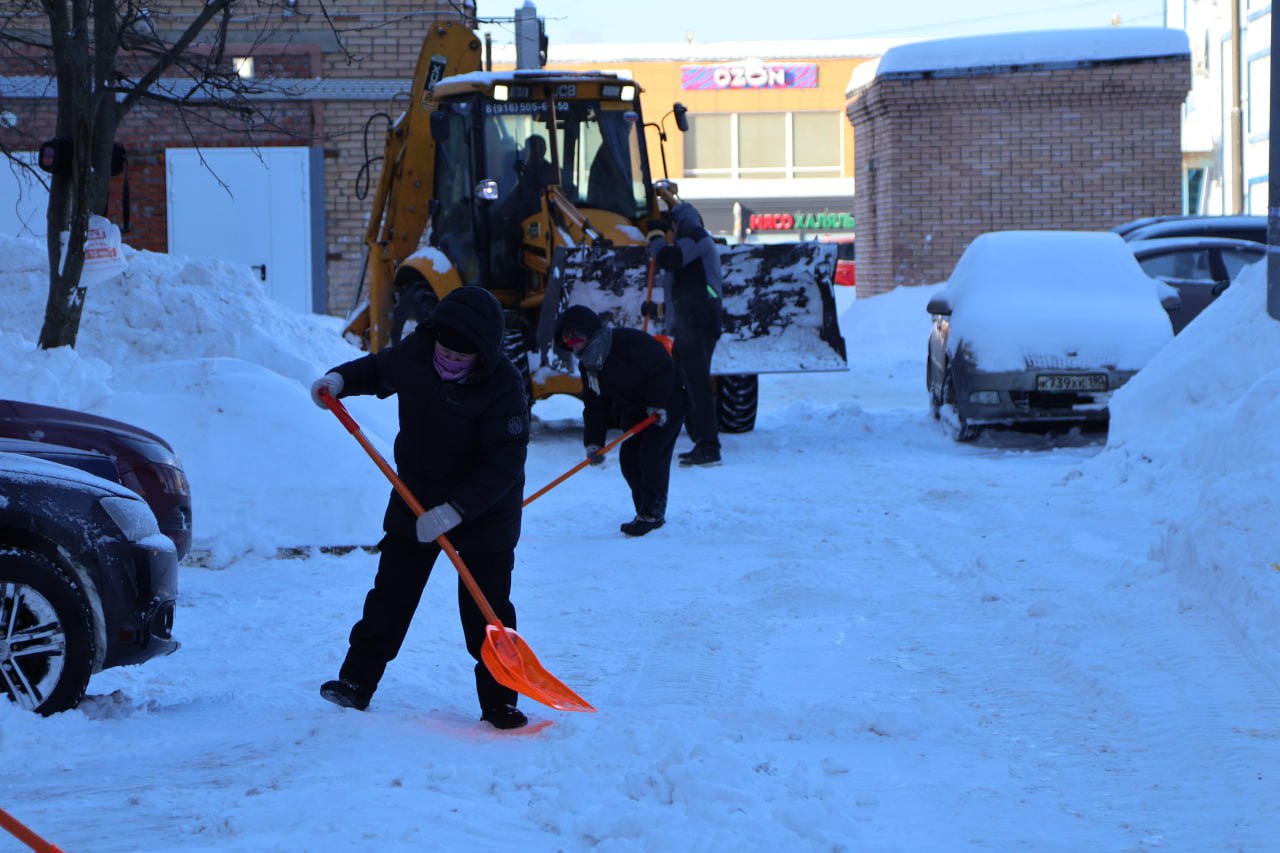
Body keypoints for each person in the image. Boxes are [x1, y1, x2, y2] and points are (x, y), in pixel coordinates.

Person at [309, 286, 532, 730]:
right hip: (416, 497)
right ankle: (356, 682)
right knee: (390, 596)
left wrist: (455, 511)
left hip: (483, 512)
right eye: (444, 350)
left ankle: (500, 701)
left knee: (485, 612)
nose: (448, 360)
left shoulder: (504, 386)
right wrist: (340, 381)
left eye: (460, 357)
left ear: (483, 354)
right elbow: (378, 370)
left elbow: (504, 465)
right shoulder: (418, 353)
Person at [554, 304, 687, 537]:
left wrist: (658, 403)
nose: (571, 344)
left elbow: (662, 367)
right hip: (637, 409)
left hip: (669, 400)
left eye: (573, 337)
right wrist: (594, 443)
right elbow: (595, 404)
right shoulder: (589, 365)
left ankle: (652, 513)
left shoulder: (627, 342)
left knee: (651, 455)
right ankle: (644, 510)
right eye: (566, 340)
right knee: (629, 459)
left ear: (588, 331)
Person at [646, 190, 724, 467]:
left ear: (679, 222)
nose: (671, 230)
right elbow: (682, 291)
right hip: (693, 322)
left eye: (671, 225)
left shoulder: (694, 237)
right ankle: (698, 440)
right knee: (684, 383)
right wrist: (657, 312)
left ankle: (708, 446)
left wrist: (655, 239)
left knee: (697, 383)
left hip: (700, 321)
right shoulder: (691, 242)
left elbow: (671, 260)